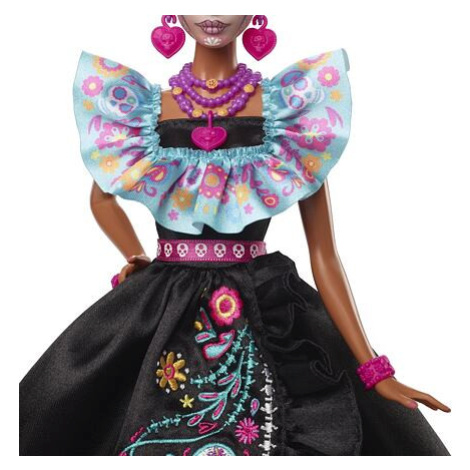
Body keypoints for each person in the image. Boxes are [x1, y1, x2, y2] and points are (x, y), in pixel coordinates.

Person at [19, 15, 451, 456]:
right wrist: (135, 254)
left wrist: (375, 369)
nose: (214, 13)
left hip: (262, 300)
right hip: (162, 300)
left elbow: (324, 255)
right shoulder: (144, 112)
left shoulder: (289, 117)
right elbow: (102, 198)